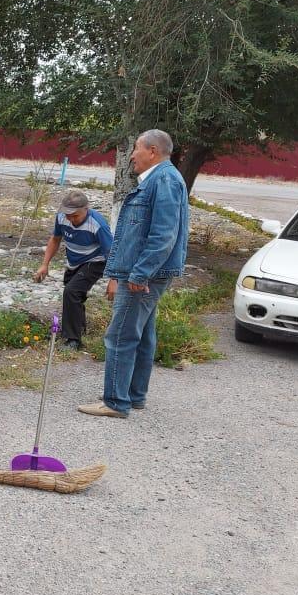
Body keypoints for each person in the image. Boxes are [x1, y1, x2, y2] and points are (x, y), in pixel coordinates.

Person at [78, 129, 189, 418]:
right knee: (142, 333)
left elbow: (164, 235)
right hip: (145, 271)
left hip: (143, 274)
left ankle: (115, 401)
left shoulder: (164, 180)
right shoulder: (161, 179)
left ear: (152, 151)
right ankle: (134, 395)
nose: (132, 155)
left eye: (136, 149)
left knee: (120, 335)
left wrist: (140, 274)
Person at [33, 189, 114, 350]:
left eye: (75, 216)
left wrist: (114, 280)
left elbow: (111, 253)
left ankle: (73, 340)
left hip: (95, 261)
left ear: (86, 209)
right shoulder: (62, 217)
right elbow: (55, 239)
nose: (71, 219)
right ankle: (79, 328)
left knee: (71, 292)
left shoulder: (98, 224)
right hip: (73, 260)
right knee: (75, 294)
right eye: (68, 215)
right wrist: (45, 264)